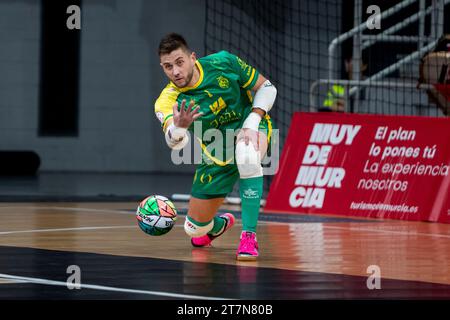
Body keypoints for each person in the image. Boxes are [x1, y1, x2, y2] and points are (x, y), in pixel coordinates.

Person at [154, 33, 277, 260]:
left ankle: (249, 236)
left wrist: (252, 122)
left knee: (247, 155)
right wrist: (179, 129)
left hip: (249, 128)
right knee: (194, 229)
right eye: (168, 67)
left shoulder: (223, 62)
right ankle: (217, 225)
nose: (176, 72)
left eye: (179, 63)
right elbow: (174, 142)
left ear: (192, 58)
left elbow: (267, 88)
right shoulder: (167, 100)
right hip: (216, 153)